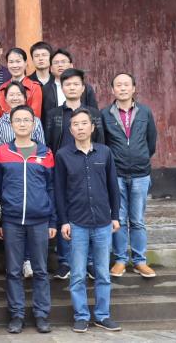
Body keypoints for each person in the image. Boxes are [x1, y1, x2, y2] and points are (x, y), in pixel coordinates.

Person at [55, 106, 122, 333]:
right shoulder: (63, 155)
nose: (80, 128)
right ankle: (81, 316)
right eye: (75, 124)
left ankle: (102, 315)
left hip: (103, 222)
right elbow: (59, 192)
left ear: (92, 127)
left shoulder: (105, 152)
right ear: (70, 130)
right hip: (77, 223)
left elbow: (113, 187)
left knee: (102, 273)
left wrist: (115, 216)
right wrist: (64, 221)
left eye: (84, 123)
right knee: (77, 274)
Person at [0, 106, 57, 334]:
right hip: (11, 220)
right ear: (11, 124)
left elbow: (51, 188)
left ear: (33, 124)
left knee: (40, 270)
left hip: (39, 220)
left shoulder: (45, 153)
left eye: (26, 120)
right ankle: (17, 315)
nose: (22, 124)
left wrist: (52, 221)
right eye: (17, 120)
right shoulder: (2, 153)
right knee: (13, 270)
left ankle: (41, 315)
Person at [45, 68, 104, 280]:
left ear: (83, 87)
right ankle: (65, 261)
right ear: (62, 88)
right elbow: (49, 142)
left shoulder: (94, 114)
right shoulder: (53, 114)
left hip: (89, 168)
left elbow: (101, 142)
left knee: (89, 212)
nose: (72, 87)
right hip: (62, 169)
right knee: (64, 213)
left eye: (76, 84)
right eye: (67, 84)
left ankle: (90, 262)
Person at [102, 73, 158, 279]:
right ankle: (120, 260)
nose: (123, 88)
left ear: (134, 88)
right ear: (112, 90)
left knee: (137, 220)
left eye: (126, 85)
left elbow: (151, 141)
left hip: (140, 174)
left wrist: (140, 157)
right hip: (116, 173)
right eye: (118, 85)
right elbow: (103, 143)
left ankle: (140, 261)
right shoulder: (105, 114)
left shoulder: (145, 112)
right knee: (118, 219)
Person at [40, 48, 97, 124]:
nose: (60, 65)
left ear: (71, 65)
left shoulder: (86, 88)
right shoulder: (45, 90)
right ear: (51, 69)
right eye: (56, 63)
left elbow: (94, 113)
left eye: (63, 62)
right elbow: (43, 116)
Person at [0, 49, 43, 119]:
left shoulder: (34, 87)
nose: (15, 65)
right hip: (3, 126)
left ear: (25, 63)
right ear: (7, 64)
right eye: (11, 62)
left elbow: (35, 116)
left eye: (18, 61)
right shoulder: (2, 88)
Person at [0, 81, 45, 147]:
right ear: (5, 99)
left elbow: (41, 147)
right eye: (11, 95)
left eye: (19, 94)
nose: (15, 98)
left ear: (25, 98)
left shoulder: (36, 121)